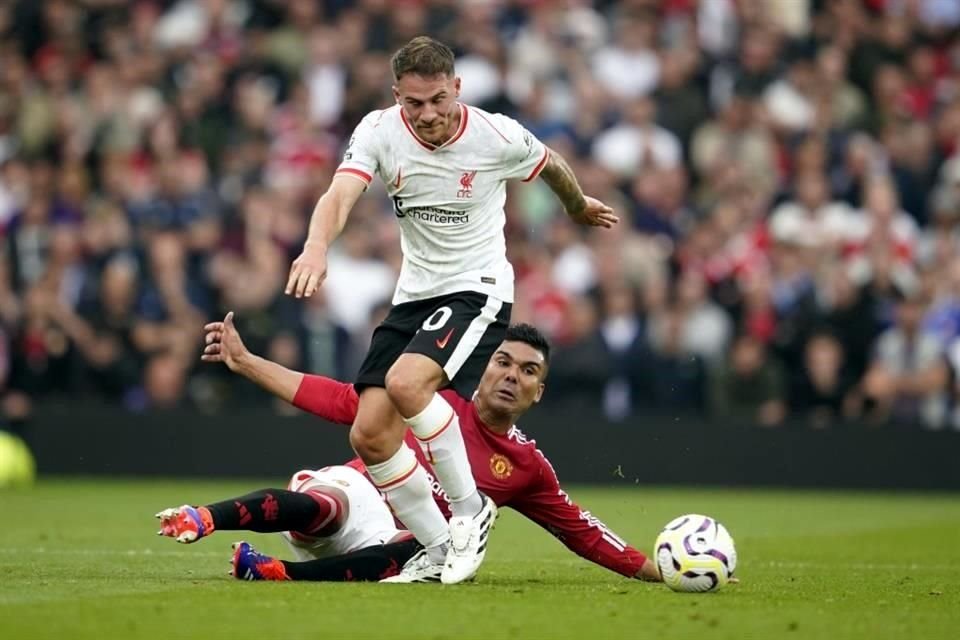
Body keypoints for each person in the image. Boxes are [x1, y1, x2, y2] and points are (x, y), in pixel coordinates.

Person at [283, 36, 618, 583]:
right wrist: (317, 245)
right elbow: (339, 195)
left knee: (409, 384)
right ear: (397, 97)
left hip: (477, 287)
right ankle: (436, 548)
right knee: (369, 434)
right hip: (414, 294)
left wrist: (576, 205)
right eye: (414, 103)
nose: (429, 114)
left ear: (457, 88)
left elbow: (551, 163)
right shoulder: (378, 130)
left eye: (439, 99)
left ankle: (468, 513)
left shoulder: (495, 134)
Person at [155, 313, 659, 583]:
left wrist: (656, 571)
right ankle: (205, 517)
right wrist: (247, 363)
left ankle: (277, 573)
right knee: (328, 506)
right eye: (503, 362)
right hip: (357, 494)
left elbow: (584, 533)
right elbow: (337, 399)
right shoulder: (427, 395)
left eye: (528, 372)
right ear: (482, 366)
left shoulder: (526, 467)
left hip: (395, 546)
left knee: (428, 549)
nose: (512, 376)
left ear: (539, 391)